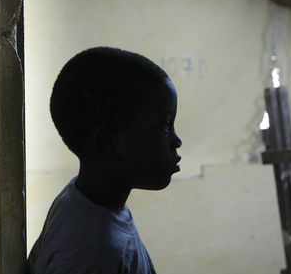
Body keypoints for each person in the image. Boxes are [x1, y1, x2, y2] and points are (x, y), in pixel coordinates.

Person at [27, 47, 182, 274]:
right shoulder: (92, 251)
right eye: (165, 126)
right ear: (110, 143)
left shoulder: (88, 200)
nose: (176, 141)